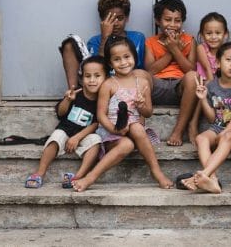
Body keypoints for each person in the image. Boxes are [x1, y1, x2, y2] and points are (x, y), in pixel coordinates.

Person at [72, 36, 173, 192]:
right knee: (127, 144)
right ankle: (91, 177)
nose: (123, 62)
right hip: (111, 132)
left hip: (134, 130)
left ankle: (156, 171)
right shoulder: (109, 84)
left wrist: (141, 106)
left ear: (134, 57)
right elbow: (101, 115)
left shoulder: (143, 83)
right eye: (117, 59)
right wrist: (114, 129)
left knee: (137, 127)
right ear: (110, 63)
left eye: (127, 57)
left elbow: (148, 113)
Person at [180, 42, 231, 194]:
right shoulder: (212, 85)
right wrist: (202, 98)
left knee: (228, 136)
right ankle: (212, 180)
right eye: (228, 60)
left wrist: (225, 133)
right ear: (218, 62)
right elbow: (213, 118)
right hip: (218, 126)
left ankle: (201, 176)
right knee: (201, 138)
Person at [25, 56, 107, 189]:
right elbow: (61, 113)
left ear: (105, 78)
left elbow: (96, 123)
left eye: (97, 76)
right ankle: (40, 172)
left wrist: (77, 138)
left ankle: (78, 176)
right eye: (88, 76)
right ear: (81, 78)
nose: (92, 80)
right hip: (66, 130)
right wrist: (68, 100)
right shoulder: (76, 94)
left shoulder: (102, 100)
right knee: (56, 137)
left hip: (83, 135)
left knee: (96, 141)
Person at [144, 0, 198, 146]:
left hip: (180, 89)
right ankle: (141, 126)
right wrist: (171, 51)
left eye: (178, 20)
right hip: (157, 87)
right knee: (139, 75)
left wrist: (176, 50)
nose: (173, 25)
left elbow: (190, 69)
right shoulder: (150, 42)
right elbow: (150, 70)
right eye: (168, 20)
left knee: (193, 77)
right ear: (157, 21)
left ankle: (178, 131)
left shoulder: (189, 40)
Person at [188, 12, 230, 144]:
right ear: (202, 35)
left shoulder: (227, 51)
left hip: (219, 83)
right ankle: (193, 123)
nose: (213, 37)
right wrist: (215, 87)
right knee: (206, 88)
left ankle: (222, 124)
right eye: (209, 33)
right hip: (204, 80)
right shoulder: (201, 48)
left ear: (225, 34)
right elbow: (207, 69)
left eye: (218, 33)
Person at [86, 0, 146, 68]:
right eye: (111, 19)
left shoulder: (138, 37)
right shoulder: (95, 41)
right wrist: (105, 38)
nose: (116, 24)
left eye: (120, 18)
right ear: (102, 19)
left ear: (127, 18)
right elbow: (98, 70)